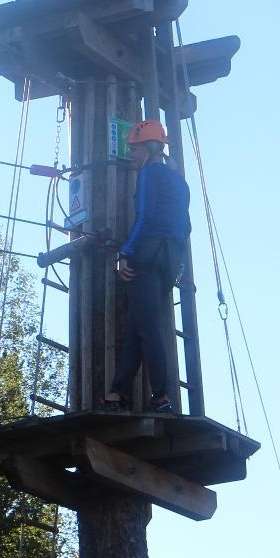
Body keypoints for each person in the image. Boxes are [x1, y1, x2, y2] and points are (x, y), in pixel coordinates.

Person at [102, 119, 191, 414]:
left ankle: (161, 394)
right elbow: (186, 226)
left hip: (147, 256)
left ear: (150, 148)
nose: (133, 155)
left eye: (136, 149)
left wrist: (125, 252)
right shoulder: (179, 181)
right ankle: (116, 393)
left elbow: (144, 216)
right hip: (170, 261)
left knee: (147, 329)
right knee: (139, 327)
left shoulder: (150, 174)